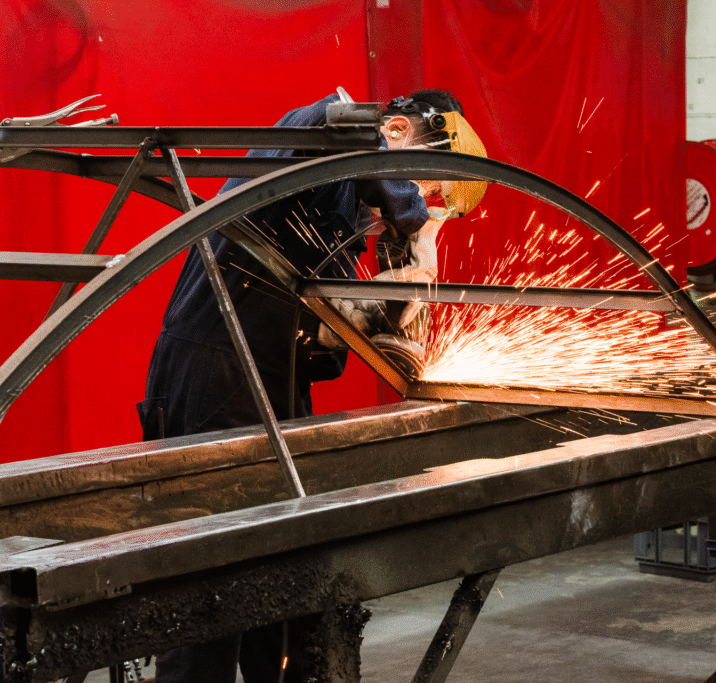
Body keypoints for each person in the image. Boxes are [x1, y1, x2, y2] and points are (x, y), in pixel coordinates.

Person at [138, 89, 486, 683]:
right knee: (210, 592)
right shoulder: (317, 131)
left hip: (273, 387)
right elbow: (333, 123)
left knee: (284, 579)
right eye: (428, 190)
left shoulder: (331, 219)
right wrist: (411, 219)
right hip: (212, 377)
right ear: (397, 129)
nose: (416, 207)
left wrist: (373, 315)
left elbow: (313, 331)